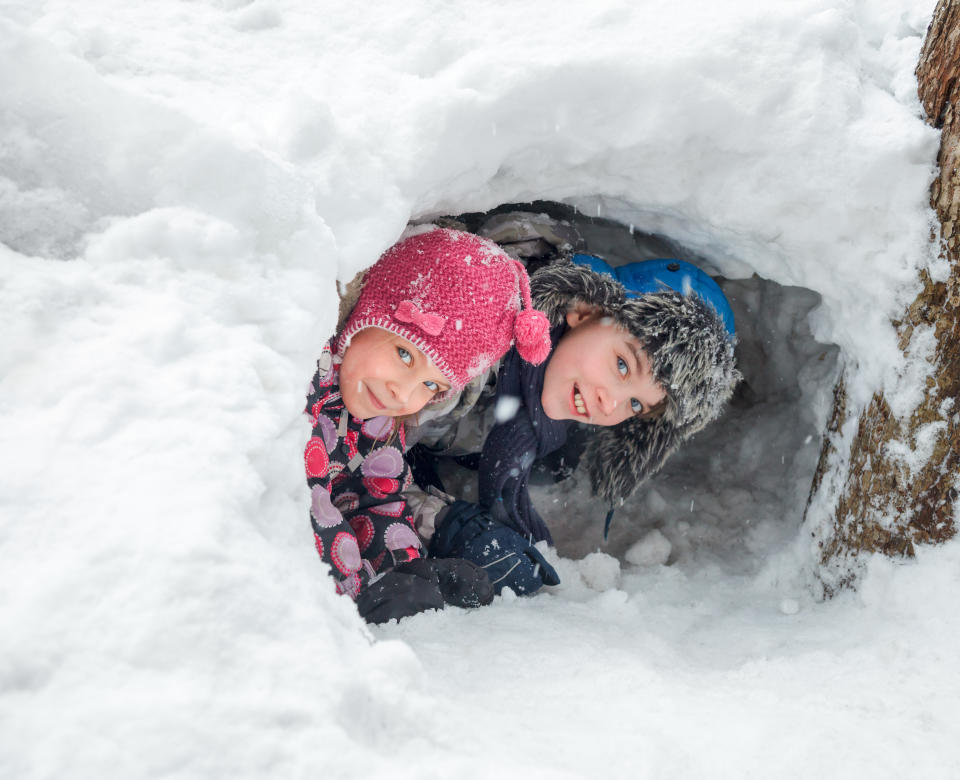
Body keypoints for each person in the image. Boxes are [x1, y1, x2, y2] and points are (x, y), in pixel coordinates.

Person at [408, 217, 741, 597]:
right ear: (584, 310)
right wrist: (443, 521)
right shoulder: (471, 340)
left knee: (555, 463)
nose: (611, 402)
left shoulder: (542, 410)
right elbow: (353, 448)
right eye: (622, 365)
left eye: (636, 404)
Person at [304, 226, 552, 624]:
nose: (403, 393)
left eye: (431, 385)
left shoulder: (380, 417)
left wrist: (408, 570)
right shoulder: (301, 377)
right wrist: (354, 590)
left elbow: (375, 499)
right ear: (367, 310)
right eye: (404, 354)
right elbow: (300, 509)